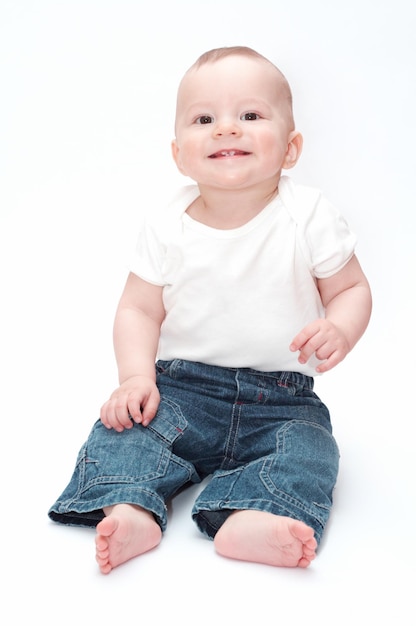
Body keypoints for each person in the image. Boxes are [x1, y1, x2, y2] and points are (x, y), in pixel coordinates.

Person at [48, 46, 372, 574]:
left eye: (249, 115)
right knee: (123, 432)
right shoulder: (167, 224)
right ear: (179, 154)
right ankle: (131, 508)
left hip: (282, 399)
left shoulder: (307, 214)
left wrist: (340, 325)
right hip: (180, 388)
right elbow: (137, 309)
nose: (226, 129)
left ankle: (255, 514)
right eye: (204, 119)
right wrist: (134, 378)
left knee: (311, 450)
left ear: (290, 149)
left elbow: (351, 286)